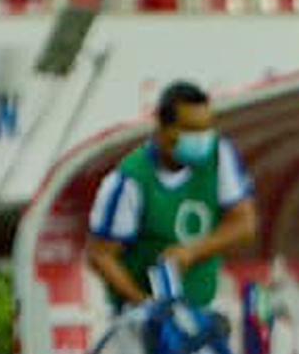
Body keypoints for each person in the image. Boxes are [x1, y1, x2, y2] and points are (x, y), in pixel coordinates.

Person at [87, 80, 257, 311]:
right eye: (191, 130)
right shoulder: (130, 181)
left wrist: (192, 252)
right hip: (139, 317)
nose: (202, 138)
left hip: (200, 309)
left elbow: (245, 224)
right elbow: (101, 256)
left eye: (206, 128)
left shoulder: (220, 155)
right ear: (163, 129)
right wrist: (144, 305)